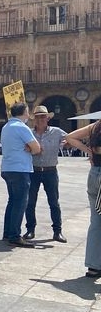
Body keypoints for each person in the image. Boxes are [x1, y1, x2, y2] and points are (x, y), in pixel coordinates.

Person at [23, 106, 68, 243]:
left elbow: (70, 139)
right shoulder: (29, 133)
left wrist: (67, 143)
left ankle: (57, 231)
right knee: (30, 202)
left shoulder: (57, 132)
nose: (40, 119)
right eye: (37, 117)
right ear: (34, 119)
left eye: (43, 116)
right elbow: (22, 148)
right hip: (34, 171)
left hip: (50, 171)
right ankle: (30, 229)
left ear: (48, 118)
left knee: (54, 202)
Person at [0, 103, 41, 247]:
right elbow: (37, 149)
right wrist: (30, 148)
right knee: (20, 202)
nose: (29, 115)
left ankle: (7, 232)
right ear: (24, 113)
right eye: (28, 112)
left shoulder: (6, 127)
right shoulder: (21, 127)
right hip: (20, 169)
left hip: (7, 168)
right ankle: (14, 235)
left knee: (12, 201)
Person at [65, 119, 101, 277]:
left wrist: (89, 151)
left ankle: (93, 265)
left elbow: (70, 137)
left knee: (96, 222)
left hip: (94, 175)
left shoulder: (96, 126)